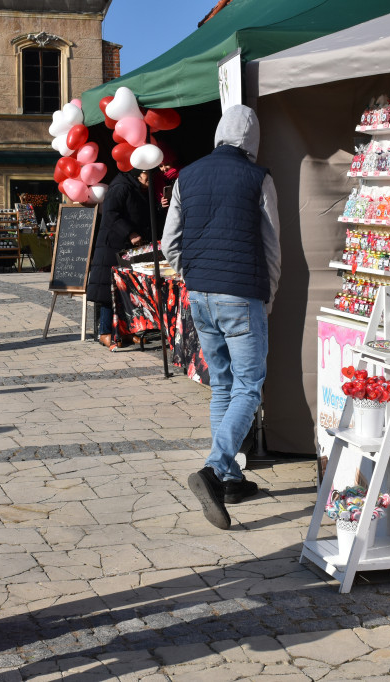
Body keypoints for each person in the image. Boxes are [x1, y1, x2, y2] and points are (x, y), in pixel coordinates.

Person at [162, 105, 282, 531]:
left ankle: (230, 478)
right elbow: (271, 244)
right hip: (241, 294)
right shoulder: (259, 178)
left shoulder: (186, 177)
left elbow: (168, 241)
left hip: (201, 296)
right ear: (252, 139)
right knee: (249, 386)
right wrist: (267, 294)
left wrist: (189, 274)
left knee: (223, 386)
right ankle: (215, 470)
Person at [85, 168, 153, 351]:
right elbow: (111, 214)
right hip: (113, 247)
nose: (150, 181)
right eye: (148, 176)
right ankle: (105, 332)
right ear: (138, 173)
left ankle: (126, 331)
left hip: (128, 249)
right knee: (109, 292)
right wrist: (129, 232)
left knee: (128, 291)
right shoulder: (121, 187)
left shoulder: (138, 188)